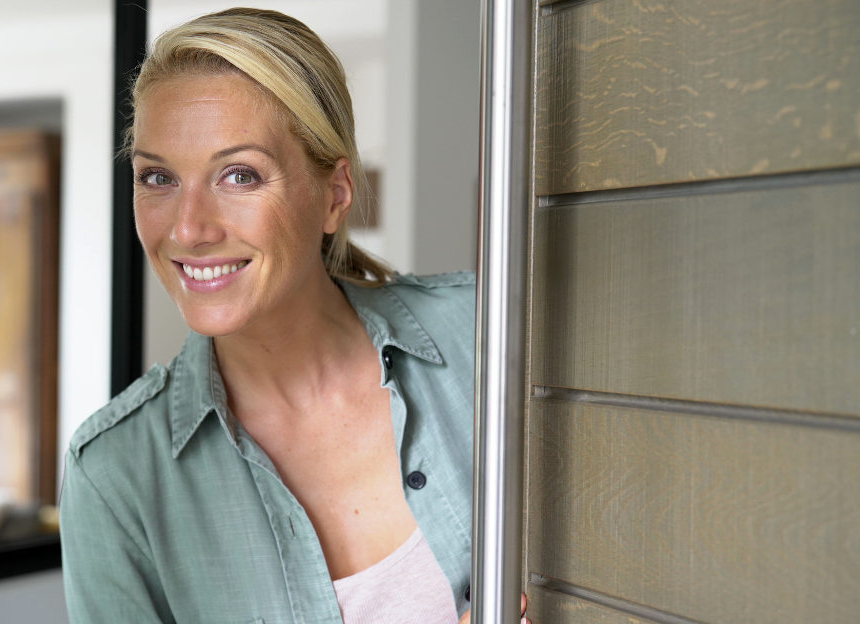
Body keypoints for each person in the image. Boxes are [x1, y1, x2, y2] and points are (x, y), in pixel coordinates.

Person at [59, 8, 529, 624]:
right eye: (158, 177)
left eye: (239, 175)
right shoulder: (114, 475)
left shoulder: (488, 336)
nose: (187, 227)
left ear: (334, 195)